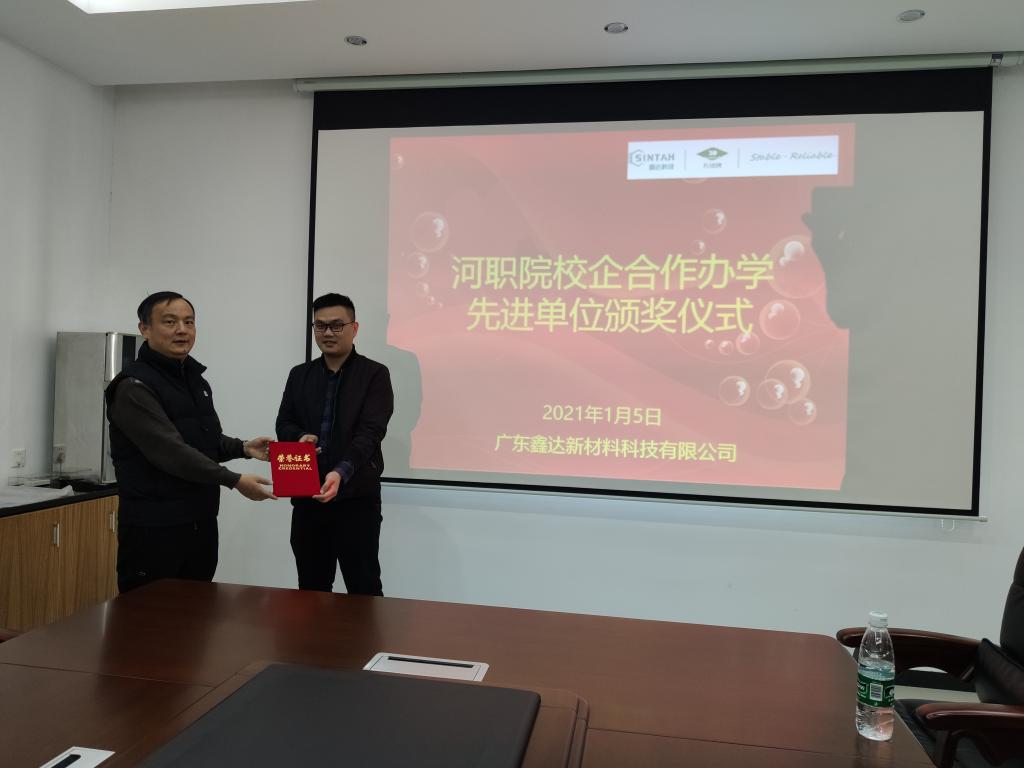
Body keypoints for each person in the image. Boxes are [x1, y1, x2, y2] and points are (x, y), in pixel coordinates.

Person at [106, 291, 276, 593]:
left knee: (198, 614)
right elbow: (171, 452)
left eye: (189, 322)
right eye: (170, 322)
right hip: (154, 527)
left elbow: (203, 441)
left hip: (200, 521)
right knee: (149, 616)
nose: (182, 330)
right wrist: (235, 480)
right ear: (145, 329)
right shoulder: (133, 386)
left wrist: (243, 448)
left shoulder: (195, 380)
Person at [276, 293, 394, 595]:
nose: (328, 332)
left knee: (364, 587)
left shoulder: (375, 374)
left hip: (356, 499)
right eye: (320, 326)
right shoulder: (299, 375)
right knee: (311, 588)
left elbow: (371, 432)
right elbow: (284, 423)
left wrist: (341, 472)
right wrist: (298, 438)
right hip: (307, 498)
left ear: (355, 328)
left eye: (337, 325)